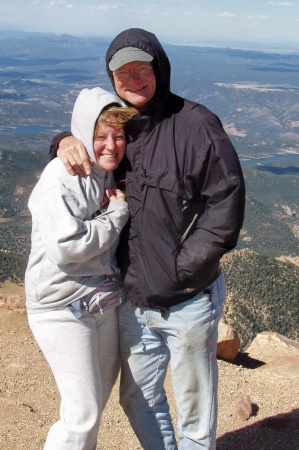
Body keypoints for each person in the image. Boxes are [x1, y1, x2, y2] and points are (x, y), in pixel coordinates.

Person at [50, 28, 246, 450]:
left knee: (195, 409)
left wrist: (182, 269)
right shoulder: (121, 122)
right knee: (137, 397)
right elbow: (91, 141)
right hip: (133, 298)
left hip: (187, 298)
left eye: (142, 69)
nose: (133, 79)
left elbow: (225, 204)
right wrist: (62, 141)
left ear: (159, 68)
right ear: (112, 78)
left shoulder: (195, 124)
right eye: (123, 73)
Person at [25, 86, 137, 450]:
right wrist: (117, 215)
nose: (110, 145)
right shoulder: (63, 176)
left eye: (118, 136)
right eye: (100, 136)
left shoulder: (105, 172)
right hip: (61, 306)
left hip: (98, 300)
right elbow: (67, 246)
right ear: (84, 135)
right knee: (83, 413)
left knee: (97, 397)